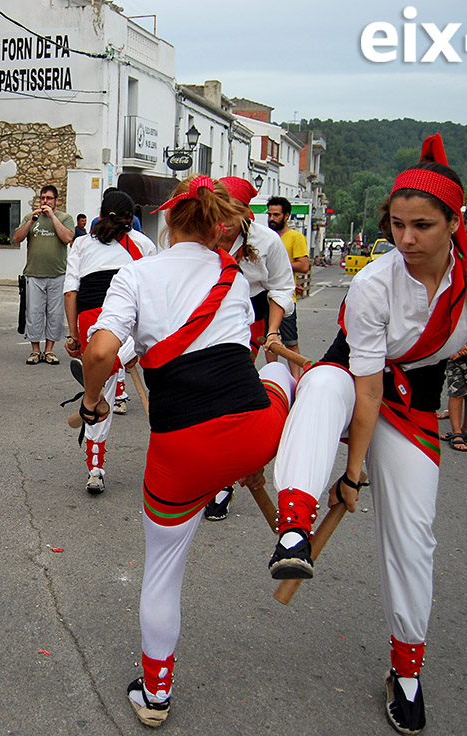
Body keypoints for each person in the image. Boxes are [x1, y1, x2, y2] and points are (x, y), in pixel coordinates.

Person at [265, 138, 467, 736]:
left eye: (423, 226)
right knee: (321, 392)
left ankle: (406, 673)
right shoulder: (375, 282)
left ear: (454, 225)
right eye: (399, 225)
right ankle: (295, 528)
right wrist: (352, 473)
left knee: (414, 540)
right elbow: (367, 390)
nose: (406, 239)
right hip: (356, 381)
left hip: (415, 405)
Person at [79, 175, 295, 727]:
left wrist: (92, 402)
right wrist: (245, 457)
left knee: (163, 572)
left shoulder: (137, 274)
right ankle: (296, 512)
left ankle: (155, 695)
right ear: (216, 222)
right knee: (286, 372)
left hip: (183, 448)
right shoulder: (235, 278)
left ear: (169, 222)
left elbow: (100, 349)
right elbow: (236, 354)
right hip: (253, 431)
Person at [202, 177, 296, 521]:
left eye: (228, 215)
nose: (221, 224)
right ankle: (211, 469)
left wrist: (272, 332)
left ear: (244, 212)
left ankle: (224, 483)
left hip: (251, 320)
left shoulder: (267, 241)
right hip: (207, 314)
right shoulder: (202, 231)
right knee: (208, 397)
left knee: (230, 397)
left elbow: (282, 288)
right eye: (216, 214)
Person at [63, 189, 157, 494]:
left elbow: (70, 292)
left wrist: (73, 335)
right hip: (129, 320)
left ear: (101, 214)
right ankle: (120, 364)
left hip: (92, 324)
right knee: (153, 378)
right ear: (132, 219)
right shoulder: (143, 244)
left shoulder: (80, 244)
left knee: (101, 382)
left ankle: (95, 467)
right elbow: (154, 292)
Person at [13, 184, 74, 365]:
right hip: (34, 274)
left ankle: (49, 351)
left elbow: (68, 238)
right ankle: (35, 350)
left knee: (55, 315)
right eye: (42, 198)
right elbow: (16, 238)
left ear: (56, 201)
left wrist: (52, 217)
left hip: (57, 274)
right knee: (34, 313)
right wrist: (31, 221)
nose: (45, 201)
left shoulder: (65, 218)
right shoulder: (30, 218)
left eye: (49, 198)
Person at [267, 196, 310, 377]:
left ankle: (296, 381)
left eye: (276, 215)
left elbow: (304, 265)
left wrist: (280, 263)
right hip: (265, 297)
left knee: (291, 342)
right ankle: (272, 377)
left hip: (285, 300)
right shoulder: (266, 237)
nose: (271, 219)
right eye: (269, 214)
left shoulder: (296, 237)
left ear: (286, 216)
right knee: (269, 342)